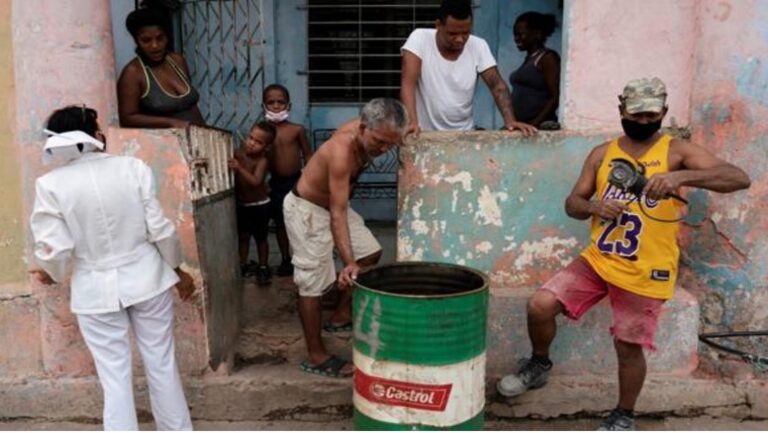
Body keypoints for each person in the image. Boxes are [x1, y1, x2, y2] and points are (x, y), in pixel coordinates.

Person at [496, 78, 751, 431]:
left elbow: (738, 178)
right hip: (599, 258)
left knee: (628, 345)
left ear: (663, 112)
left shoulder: (676, 151)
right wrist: (593, 205)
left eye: (651, 115)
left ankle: (623, 415)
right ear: (621, 111)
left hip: (648, 269)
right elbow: (572, 203)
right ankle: (539, 364)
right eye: (636, 115)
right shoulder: (602, 153)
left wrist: (683, 177)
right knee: (540, 305)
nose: (644, 122)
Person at [29, 105, 196, 430]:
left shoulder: (50, 184)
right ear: (94, 134)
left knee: (114, 377)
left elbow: (56, 248)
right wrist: (178, 271)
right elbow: (159, 229)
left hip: (94, 289)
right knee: (161, 364)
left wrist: (51, 273)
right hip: (147, 277)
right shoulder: (132, 167)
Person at [283, 98, 407, 377]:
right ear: (363, 128)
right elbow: (337, 214)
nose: (384, 149)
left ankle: (340, 314)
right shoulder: (340, 151)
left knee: (371, 254)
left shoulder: (374, 129)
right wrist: (348, 262)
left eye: (391, 144)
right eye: (379, 142)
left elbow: (339, 208)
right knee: (311, 281)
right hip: (308, 210)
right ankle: (316, 355)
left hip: (334, 204)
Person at [400, 0, 536, 137]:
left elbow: (497, 86)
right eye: (452, 34)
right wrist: (412, 123)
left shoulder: (478, 46)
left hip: (464, 134)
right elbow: (408, 84)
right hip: (424, 134)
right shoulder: (419, 39)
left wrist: (511, 121)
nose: (460, 39)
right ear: (438, 25)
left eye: (465, 33)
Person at [117, 5, 206, 128]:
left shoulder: (177, 61)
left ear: (167, 37)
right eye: (146, 40)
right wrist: (171, 123)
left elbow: (190, 105)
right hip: (165, 144)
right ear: (136, 40)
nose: (155, 45)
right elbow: (127, 118)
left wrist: (204, 129)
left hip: (199, 138)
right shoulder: (133, 73)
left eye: (160, 38)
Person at [263, 84, 313, 277]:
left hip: (296, 181)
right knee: (281, 223)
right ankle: (285, 259)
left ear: (288, 105)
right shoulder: (263, 131)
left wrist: (308, 179)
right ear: (264, 105)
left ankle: (303, 257)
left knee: (302, 221)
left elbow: (308, 155)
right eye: (271, 102)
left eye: (280, 102)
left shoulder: (296, 130)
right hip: (274, 183)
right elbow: (258, 155)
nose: (276, 106)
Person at [229, 121, 276, 285]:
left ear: (267, 147)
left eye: (258, 142)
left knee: (261, 238)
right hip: (242, 205)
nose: (252, 143)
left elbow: (256, 181)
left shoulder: (262, 161)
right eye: (251, 138)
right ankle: (242, 264)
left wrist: (239, 169)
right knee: (243, 237)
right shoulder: (237, 154)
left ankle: (263, 266)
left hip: (259, 205)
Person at [509, 11, 561, 129]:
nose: (516, 39)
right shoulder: (529, 59)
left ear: (537, 34)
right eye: (515, 35)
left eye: (521, 34)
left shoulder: (548, 58)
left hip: (539, 127)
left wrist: (534, 124)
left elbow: (555, 97)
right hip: (525, 126)